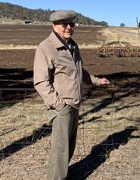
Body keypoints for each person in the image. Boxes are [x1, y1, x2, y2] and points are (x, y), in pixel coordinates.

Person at [33, 10, 110, 179]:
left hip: (74, 105)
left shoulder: (73, 46)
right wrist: (59, 105)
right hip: (62, 107)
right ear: (54, 26)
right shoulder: (46, 48)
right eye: (64, 24)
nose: (69, 27)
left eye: (71, 24)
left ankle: (63, 175)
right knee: (60, 151)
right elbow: (41, 82)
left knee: (69, 147)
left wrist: (97, 81)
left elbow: (79, 71)